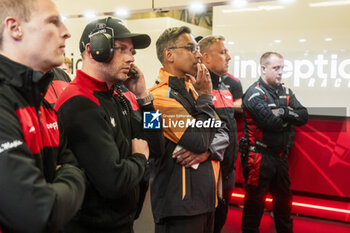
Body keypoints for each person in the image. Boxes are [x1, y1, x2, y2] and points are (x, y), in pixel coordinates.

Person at [55, 17, 162, 233]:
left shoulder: (116, 96)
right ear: (93, 49)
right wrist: (140, 157)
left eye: (132, 51)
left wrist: (144, 99)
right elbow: (114, 181)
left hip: (121, 222)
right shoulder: (79, 102)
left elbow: (157, 147)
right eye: (122, 49)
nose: (131, 58)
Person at [0, 0, 86, 232]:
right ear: (14, 28)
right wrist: (73, 177)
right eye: (53, 21)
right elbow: (39, 213)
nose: (66, 32)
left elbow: (70, 162)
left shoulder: (41, 102)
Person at [149, 26, 230, 233]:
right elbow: (198, 139)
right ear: (169, 55)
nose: (197, 55)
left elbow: (222, 131)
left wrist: (207, 152)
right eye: (191, 48)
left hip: (206, 200)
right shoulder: (158, 98)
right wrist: (205, 96)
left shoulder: (192, 89)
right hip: (178, 207)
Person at [241, 52, 308, 233]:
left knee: (284, 204)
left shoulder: (286, 91)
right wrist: (287, 114)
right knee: (254, 205)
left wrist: (281, 112)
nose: (280, 72)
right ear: (263, 68)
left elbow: (303, 116)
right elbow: (270, 123)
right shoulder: (254, 93)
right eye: (275, 68)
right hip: (258, 158)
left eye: (282, 68)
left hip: (280, 158)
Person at [198, 35, 242, 233]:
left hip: (227, 171)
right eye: (223, 52)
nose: (229, 57)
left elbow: (224, 128)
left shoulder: (226, 87)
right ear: (205, 58)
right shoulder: (195, 88)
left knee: (219, 223)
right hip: (207, 172)